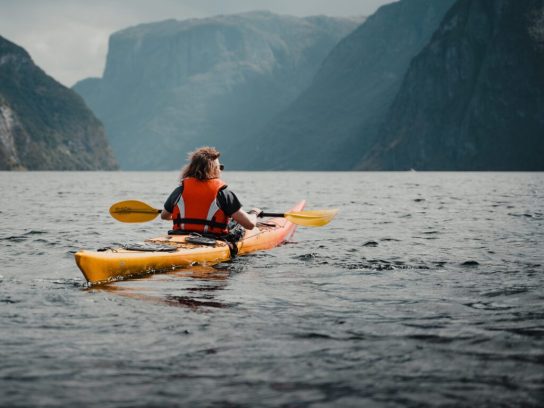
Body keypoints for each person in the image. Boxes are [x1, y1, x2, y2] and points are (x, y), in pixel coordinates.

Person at [161, 146, 261, 236]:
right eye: (220, 167)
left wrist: (189, 219)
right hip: (212, 240)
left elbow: (164, 215)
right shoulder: (222, 193)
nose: (221, 170)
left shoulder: (180, 190)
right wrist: (254, 213)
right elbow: (250, 225)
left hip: (180, 237)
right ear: (213, 169)